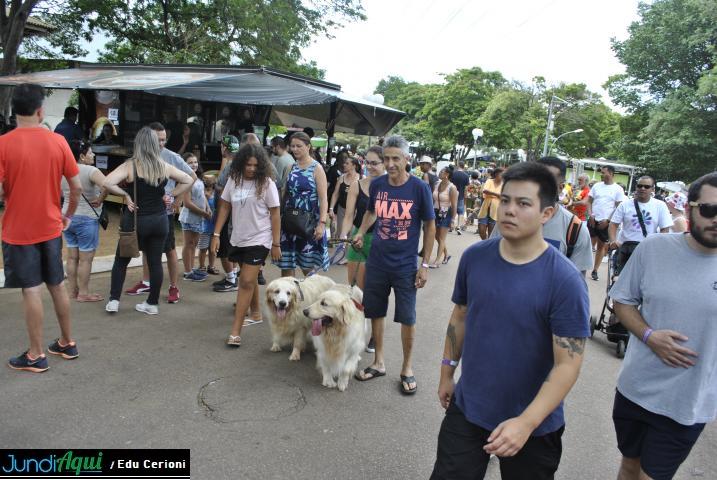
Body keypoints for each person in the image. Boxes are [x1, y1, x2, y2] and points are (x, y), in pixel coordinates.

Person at [431, 162, 590, 480]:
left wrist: (526, 423)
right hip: (469, 410)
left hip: (535, 425)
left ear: (547, 213)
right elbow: (460, 316)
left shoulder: (565, 280)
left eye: (523, 203)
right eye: (505, 200)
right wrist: (447, 371)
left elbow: (567, 365)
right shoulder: (475, 257)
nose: (509, 210)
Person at [610, 172, 717, 480]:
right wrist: (649, 335)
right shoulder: (653, 249)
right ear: (690, 209)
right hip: (636, 390)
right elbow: (622, 302)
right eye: (710, 210)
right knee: (629, 466)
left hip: (689, 402)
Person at [1, 83, 82, 373]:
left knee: (31, 289)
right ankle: (67, 342)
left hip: (18, 230)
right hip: (51, 227)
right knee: (56, 284)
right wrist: (68, 216)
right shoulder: (57, 141)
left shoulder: (4, 144)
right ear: (40, 110)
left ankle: (36, 354)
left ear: (14, 112)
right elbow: (76, 186)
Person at [352, 135, 436, 395]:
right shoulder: (377, 185)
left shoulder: (419, 188)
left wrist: (425, 265)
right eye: (386, 158)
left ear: (407, 159)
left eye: (395, 159)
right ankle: (378, 362)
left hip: (405, 264)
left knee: (407, 317)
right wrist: (360, 232)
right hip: (376, 261)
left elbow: (429, 225)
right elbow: (371, 212)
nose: (390, 164)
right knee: (375, 311)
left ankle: (407, 368)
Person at [103, 127, 193, 315]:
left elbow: (107, 182)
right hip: (160, 220)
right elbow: (188, 179)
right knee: (154, 262)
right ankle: (152, 304)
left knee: (121, 261)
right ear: (153, 145)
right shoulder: (163, 165)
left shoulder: (131, 165)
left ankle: (114, 301)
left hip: (137, 222)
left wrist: (126, 195)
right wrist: (171, 193)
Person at [211, 143, 281, 346]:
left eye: (255, 165)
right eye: (248, 164)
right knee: (247, 280)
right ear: (241, 163)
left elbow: (275, 213)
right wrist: (216, 234)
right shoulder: (234, 180)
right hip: (238, 237)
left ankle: (235, 331)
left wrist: (275, 244)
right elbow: (224, 207)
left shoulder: (267, 183)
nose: (251, 169)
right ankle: (257, 313)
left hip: (260, 238)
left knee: (246, 281)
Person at [124, 122, 197, 302]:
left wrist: (176, 197)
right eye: (158, 140)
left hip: (163, 212)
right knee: (147, 250)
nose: (161, 143)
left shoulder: (171, 157)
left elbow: (192, 177)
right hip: (144, 211)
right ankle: (146, 282)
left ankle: (174, 287)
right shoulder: (139, 157)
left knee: (170, 249)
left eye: (164, 139)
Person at [491, 157, 593, 275]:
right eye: (534, 181)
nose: (537, 187)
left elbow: (578, 280)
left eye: (546, 183)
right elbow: (490, 259)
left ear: (561, 187)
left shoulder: (575, 229)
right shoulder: (510, 218)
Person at [274, 132, 329, 276]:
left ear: (308, 146)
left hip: (308, 222)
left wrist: (322, 223)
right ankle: (289, 298)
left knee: (307, 267)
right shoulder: (291, 167)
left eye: (299, 146)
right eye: (292, 146)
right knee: (286, 264)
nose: (295, 149)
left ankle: (312, 296)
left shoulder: (316, 168)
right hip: (290, 220)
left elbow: (323, 198)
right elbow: (284, 193)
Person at [61, 141, 107, 302]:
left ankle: (72, 291)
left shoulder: (63, 170)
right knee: (86, 259)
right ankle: (84, 293)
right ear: (81, 156)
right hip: (87, 217)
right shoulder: (91, 170)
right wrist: (100, 199)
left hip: (67, 216)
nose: (93, 155)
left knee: (72, 257)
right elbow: (107, 185)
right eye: (90, 152)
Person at [607, 175, 672, 274]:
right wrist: (613, 241)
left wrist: (656, 247)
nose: (642, 188)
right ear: (636, 187)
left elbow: (665, 229)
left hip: (647, 251)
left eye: (646, 187)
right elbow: (613, 224)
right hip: (625, 249)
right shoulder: (624, 205)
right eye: (640, 186)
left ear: (652, 189)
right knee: (619, 279)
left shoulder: (660, 206)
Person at [211, 134, 242, 292]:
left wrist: (213, 185)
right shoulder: (236, 163)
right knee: (232, 245)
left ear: (224, 147)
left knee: (224, 247)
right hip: (235, 213)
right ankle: (233, 275)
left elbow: (224, 191)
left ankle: (231, 279)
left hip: (226, 213)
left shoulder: (230, 166)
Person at [587, 165, 625, 281]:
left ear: (611, 173)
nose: (601, 174)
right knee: (587, 244)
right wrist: (590, 215)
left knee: (601, 247)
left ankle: (595, 270)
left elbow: (619, 207)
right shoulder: (597, 186)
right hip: (593, 219)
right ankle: (582, 266)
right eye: (601, 172)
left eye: (603, 172)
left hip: (605, 223)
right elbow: (589, 202)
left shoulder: (618, 189)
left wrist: (608, 221)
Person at [178, 152, 211, 281]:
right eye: (190, 162)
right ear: (184, 165)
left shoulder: (198, 178)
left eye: (195, 162)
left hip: (199, 217)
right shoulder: (185, 179)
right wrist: (203, 213)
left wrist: (207, 207)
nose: (194, 164)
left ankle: (191, 269)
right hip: (189, 217)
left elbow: (202, 196)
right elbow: (187, 203)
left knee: (194, 244)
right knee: (188, 244)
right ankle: (187, 272)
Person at [429, 167, 458, 268]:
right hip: (435, 212)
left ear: (447, 174)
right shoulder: (437, 184)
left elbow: (454, 205)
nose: (439, 172)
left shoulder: (452, 188)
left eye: (441, 171)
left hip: (446, 213)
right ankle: (446, 254)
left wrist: (453, 220)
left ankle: (437, 261)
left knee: (441, 237)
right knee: (436, 236)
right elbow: (433, 199)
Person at [329, 156, 361, 241]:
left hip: (355, 211)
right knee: (340, 233)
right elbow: (335, 194)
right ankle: (341, 252)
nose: (344, 165)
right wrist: (331, 208)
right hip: (342, 209)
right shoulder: (342, 177)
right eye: (344, 163)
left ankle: (348, 253)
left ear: (354, 166)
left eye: (347, 163)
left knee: (352, 235)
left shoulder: (361, 178)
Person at [197, 175, 219, 274]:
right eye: (206, 179)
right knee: (203, 248)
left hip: (214, 226)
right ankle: (201, 266)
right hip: (204, 226)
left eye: (211, 179)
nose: (209, 181)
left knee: (213, 249)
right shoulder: (202, 192)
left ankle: (211, 266)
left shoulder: (217, 193)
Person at [476, 167, 504, 239]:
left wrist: (491, 194)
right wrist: (497, 195)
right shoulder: (489, 181)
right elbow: (485, 191)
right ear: (496, 174)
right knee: (481, 229)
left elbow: (504, 197)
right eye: (501, 174)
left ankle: (487, 245)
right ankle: (485, 242)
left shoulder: (504, 185)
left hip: (496, 211)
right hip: (485, 208)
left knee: (491, 234)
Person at [451, 161, 470, 234]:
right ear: (463, 166)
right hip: (461, 196)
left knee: (451, 210)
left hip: (452, 194)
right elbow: (466, 188)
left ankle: (451, 225)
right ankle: (458, 226)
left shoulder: (453, 174)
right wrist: (465, 197)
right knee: (460, 212)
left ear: (458, 165)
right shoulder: (466, 176)